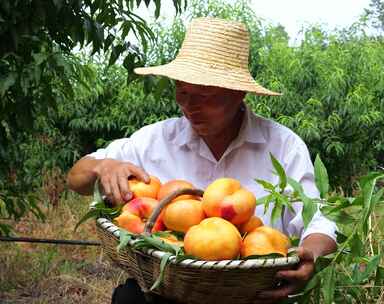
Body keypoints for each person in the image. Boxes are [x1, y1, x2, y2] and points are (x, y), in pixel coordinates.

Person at [67, 17, 337, 303]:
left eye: (205, 95)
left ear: (239, 93)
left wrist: (312, 254)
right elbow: (77, 179)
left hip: (253, 294)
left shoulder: (282, 146)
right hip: (170, 291)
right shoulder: (155, 140)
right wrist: (102, 166)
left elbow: (317, 219)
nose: (189, 106)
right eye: (182, 92)